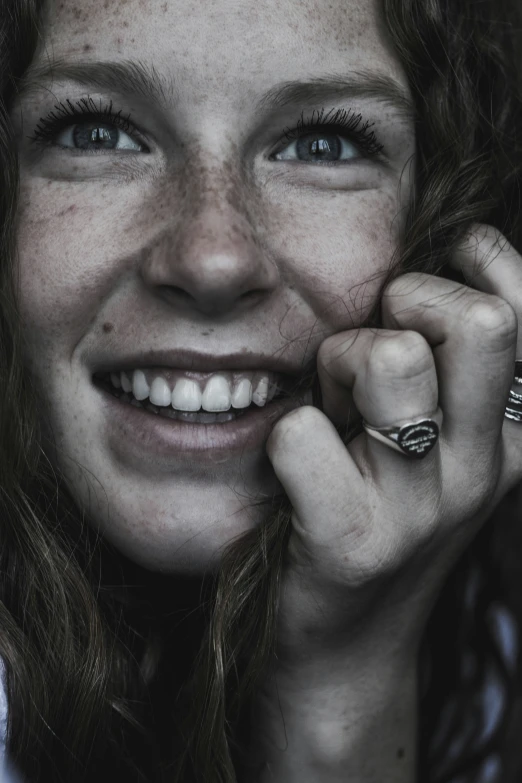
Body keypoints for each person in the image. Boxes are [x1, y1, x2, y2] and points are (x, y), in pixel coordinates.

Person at [0, 0, 521, 780]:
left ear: (443, 229)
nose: (213, 259)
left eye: (322, 142)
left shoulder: (483, 659)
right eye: (95, 132)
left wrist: (347, 673)